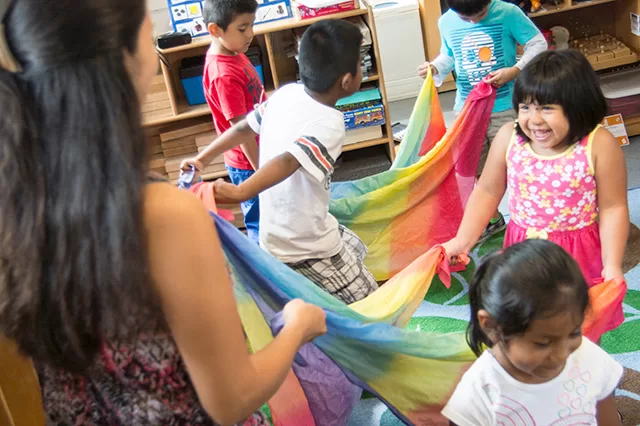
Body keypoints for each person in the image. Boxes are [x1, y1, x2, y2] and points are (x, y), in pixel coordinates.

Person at [0, 1, 326, 424]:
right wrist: (298, 326)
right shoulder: (163, 215)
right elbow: (231, 400)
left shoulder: (16, 205)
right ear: (125, 56)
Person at [186, 20, 378, 304]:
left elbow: (244, 128)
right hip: (305, 245)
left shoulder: (286, 93)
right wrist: (242, 191)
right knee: (372, 301)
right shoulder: (331, 122)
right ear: (347, 81)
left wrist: (202, 159)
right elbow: (289, 161)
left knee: (355, 249)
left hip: (276, 234)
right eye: (361, 64)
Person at [442, 50, 629, 286]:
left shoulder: (598, 144)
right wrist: (463, 239)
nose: (535, 119)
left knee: (575, 316)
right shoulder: (508, 137)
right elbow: (488, 191)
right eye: (525, 107)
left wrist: (612, 264)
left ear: (579, 106)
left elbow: (613, 208)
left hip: (577, 255)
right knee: (525, 312)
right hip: (524, 249)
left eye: (547, 108)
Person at [442, 239, 623, 425]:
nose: (562, 355)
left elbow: (606, 415)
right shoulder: (475, 400)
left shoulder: (587, 355)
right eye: (542, 343)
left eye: (574, 333)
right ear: (491, 326)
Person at [417, 0, 547, 242]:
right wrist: (434, 68)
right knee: (475, 167)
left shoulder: (508, 13)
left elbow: (538, 43)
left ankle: (533, 217)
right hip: (467, 108)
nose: (473, 21)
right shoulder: (446, 21)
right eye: (465, 18)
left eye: (480, 14)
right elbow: (449, 56)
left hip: (504, 107)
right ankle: (494, 218)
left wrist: (516, 70)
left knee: (516, 165)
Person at [183, 0, 266, 244]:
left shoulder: (233, 52)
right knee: (260, 223)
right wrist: (261, 170)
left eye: (252, 25)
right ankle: (261, 271)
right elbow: (242, 130)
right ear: (215, 30)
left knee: (271, 215)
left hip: (259, 151)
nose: (250, 34)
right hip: (249, 161)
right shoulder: (223, 74)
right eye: (242, 29)